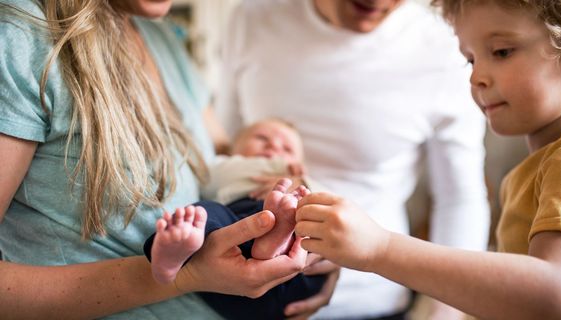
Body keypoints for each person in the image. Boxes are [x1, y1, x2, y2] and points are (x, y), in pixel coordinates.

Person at [0, 0, 332, 318]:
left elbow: (224, 156)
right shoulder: (18, 36)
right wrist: (186, 276)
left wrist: (316, 255)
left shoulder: (164, 41)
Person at [295, 0, 561, 318]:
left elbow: (559, 295)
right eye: (470, 60)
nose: (477, 77)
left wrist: (381, 249)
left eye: (501, 51)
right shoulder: (546, 164)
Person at [216, 0, 490, 318]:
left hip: (370, 301)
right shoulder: (252, 18)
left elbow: (459, 198)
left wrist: (445, 315)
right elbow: (226, 150)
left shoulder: (445, 44)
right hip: (244, 299)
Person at [144, 119, 327, 319]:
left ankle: (277, 239)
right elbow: (212, 178)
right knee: (204, 215)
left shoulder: (303, 181)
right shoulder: (226, 167)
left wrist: (304, 181)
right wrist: (279, 167)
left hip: (294, 277)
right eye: (262, 138)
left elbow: (333, 206)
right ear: (232, 150)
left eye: (287, 148)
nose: (274, 146)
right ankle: (174, 258)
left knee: (306, 224)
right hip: (229, 261)